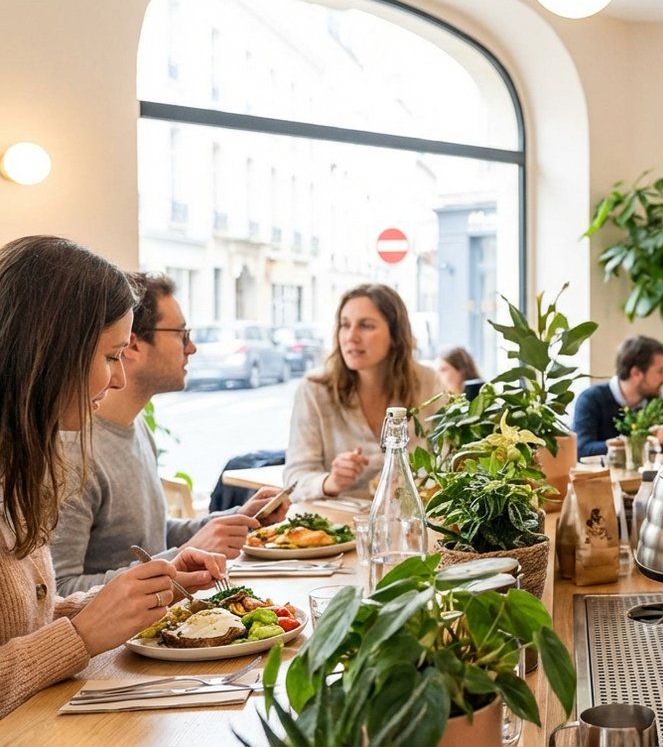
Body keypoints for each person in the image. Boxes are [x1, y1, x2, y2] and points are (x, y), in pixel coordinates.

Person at [0, 236, 226, 718]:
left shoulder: (20, 465)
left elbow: (34, 615)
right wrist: (79, 637)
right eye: (109, 357)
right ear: (50, 350)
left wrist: (129, 595)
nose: (118, 379)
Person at [51, 273, 293, 593]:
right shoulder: (72, 451)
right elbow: (58, 593)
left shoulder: (135, 425)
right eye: (181, 333)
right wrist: (178, 557)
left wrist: (234, 521)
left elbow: (146, 540)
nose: (191, 347)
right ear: (133, 344)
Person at [285, 284, 442, 500]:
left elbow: (448, 463)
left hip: (408, 520)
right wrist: (330, 481)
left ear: (395, 335)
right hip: (335, 527)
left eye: (366, 326)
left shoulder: (428, 383)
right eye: (344, 325)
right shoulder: (315, 390)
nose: (351, 336)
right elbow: (294, 480)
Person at [572, 335, 663, 459]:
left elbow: (657, 451)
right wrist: (634, 442)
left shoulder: (653, 400)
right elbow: (582, 449)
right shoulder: (591, 399)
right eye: (660, 371)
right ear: (636, 373)